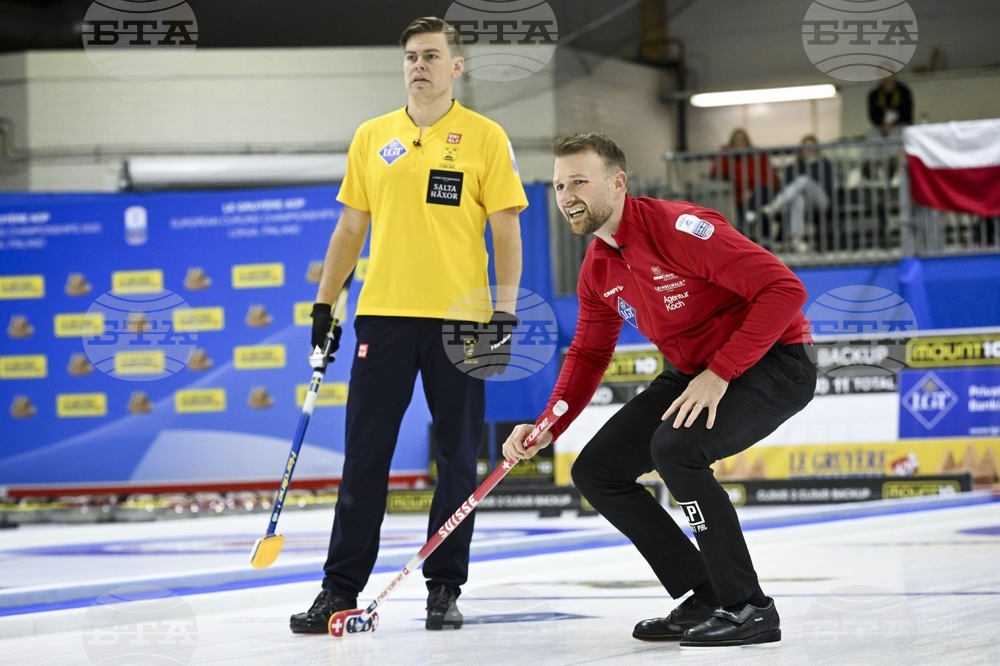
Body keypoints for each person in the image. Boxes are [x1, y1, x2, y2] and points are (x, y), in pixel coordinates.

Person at [502, 133, 815, 648]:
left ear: (618, 183)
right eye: (559, 185)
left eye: (579, 181)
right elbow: (586, 355)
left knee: (677, 449)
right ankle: (706, 591)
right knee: (597, 470)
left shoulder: (678, 229)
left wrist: (721, 373)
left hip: (774, 361)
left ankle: (749, 607)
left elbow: (785, 289)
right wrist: (546, 427)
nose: (566, 195)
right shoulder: (598, 269)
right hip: (697, 370)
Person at [290, 16, 527, 634]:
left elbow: (506, 230)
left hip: (461, 321)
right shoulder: (373, 137)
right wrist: (324, 305)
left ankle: (443, 588)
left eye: (431, 56)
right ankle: (338, 589)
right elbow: (349, 230)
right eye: (411, 57)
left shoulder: (485, 137)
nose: (419, 65)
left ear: (457, 67)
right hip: (384, 317)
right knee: (365, 455)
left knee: (456, 458)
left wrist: (503, 311)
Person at [747, 135, 834, 253]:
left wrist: (811, 167)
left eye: (811, 147)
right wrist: (804, 166)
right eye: (805, 148)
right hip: (803, 203)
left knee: (804, 180)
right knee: (798, 199)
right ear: (801, 150)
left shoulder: (825, 164)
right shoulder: (793, 167)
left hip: (821, 200)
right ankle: (796, 240)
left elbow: (827, 185)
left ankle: (775, 206)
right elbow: (787, 186)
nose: (808, 150)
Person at [708, 128, 778, 237]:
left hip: (761, 192)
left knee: (763, 197)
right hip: (740, 196)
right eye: (737, 140)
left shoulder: (758, 155)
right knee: (763, 208)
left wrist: (753, 191)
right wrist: (725, 151)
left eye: (742, 140)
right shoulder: (728, 156)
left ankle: (750, 218)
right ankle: (751, 218)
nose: (740, 143)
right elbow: (715, 172)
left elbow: (769, 177)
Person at [868, 73, 913, 138]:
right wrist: (883, 125)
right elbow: (873, 115)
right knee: (872, 135)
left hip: (900, 124)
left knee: (895, 134)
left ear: (894, 75)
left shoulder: (904, 91)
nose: (886, 78)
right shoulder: (874, 94)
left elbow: (907, 113)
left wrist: (892, 124)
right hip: (881, 126)